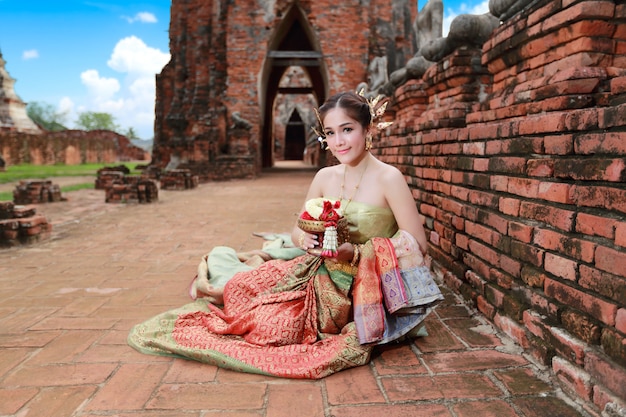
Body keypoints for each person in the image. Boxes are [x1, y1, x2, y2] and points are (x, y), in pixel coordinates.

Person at [127, 90, 443, 379]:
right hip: (314, 270)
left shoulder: (389, 178)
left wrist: (356, 253)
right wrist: (303, 240)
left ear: (368, 129)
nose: (339, 142)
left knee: (270, 328)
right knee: (238, 287)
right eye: (330, 133)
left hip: (360, 287)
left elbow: (417, 244)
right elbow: (298, 227)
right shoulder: (324, 176)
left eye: (347, 129)